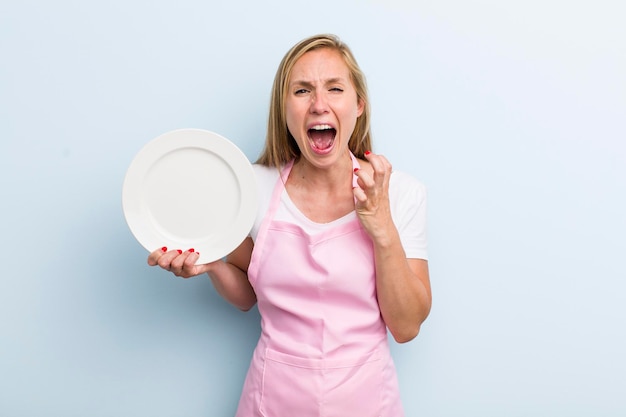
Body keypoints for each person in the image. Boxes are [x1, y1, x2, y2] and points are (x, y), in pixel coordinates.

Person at [148, 34, 431, 417]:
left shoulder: (400, 193)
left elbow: (406, 326)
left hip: (367, 402)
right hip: (272, 400)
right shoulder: (253, 187)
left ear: (358, 104)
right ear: (284, 109)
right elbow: (249, 296)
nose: (319, 105)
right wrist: (213, 263)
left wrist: (382, 228)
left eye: (334, 88)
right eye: (301, 91)